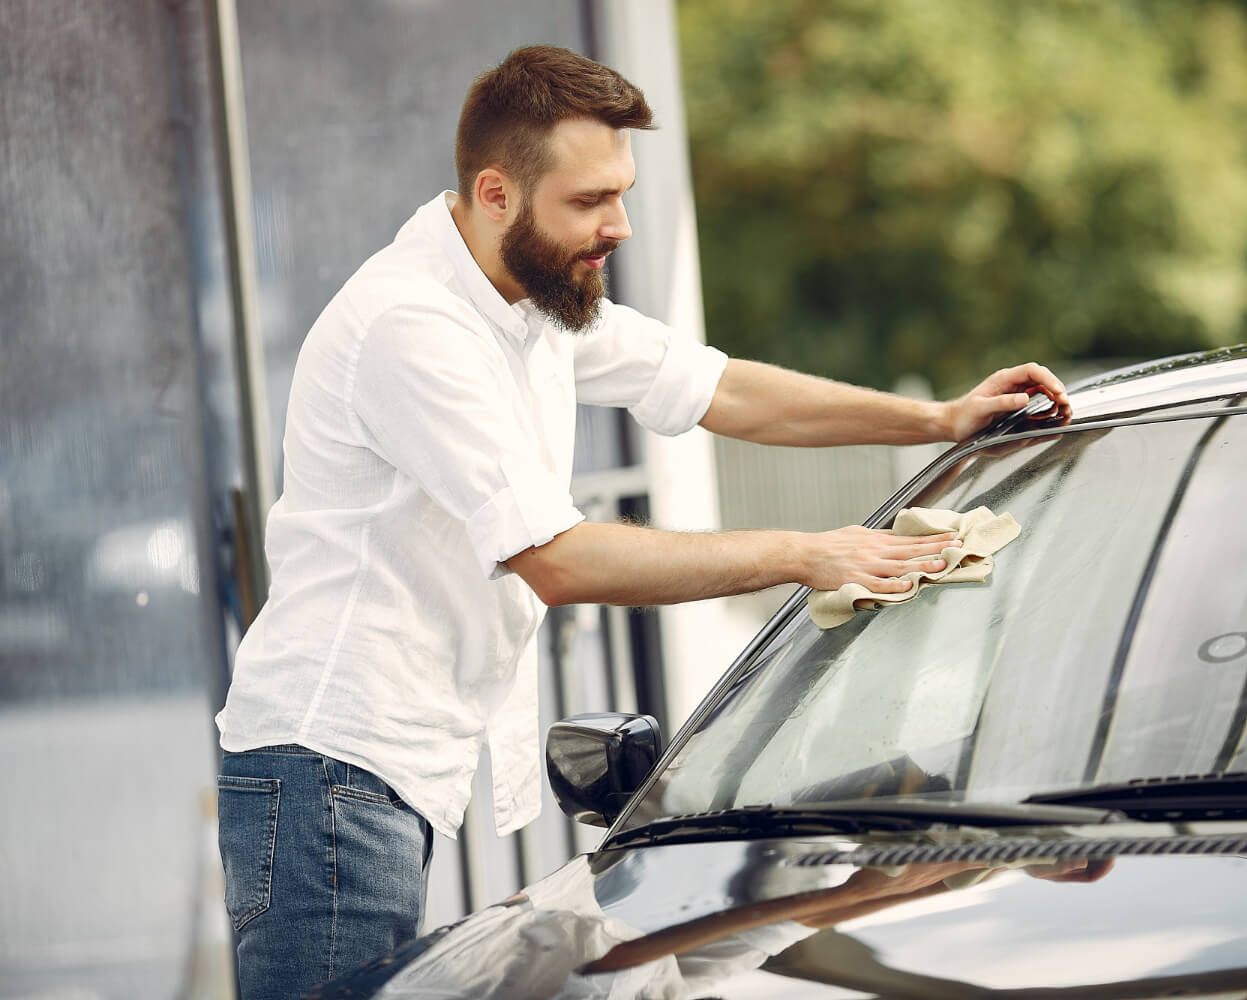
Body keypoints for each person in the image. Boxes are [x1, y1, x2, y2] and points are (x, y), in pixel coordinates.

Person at [214, 43, 1068, 1000]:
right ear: (496, 193)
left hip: (375, 773)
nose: (617, 224)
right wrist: (807, 553)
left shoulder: (528, 297)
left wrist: (938, 420)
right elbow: (562, 560)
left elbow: (720, 389)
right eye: (589, 201)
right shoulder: (413, 328)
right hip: (329, 770)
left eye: (621, 193)